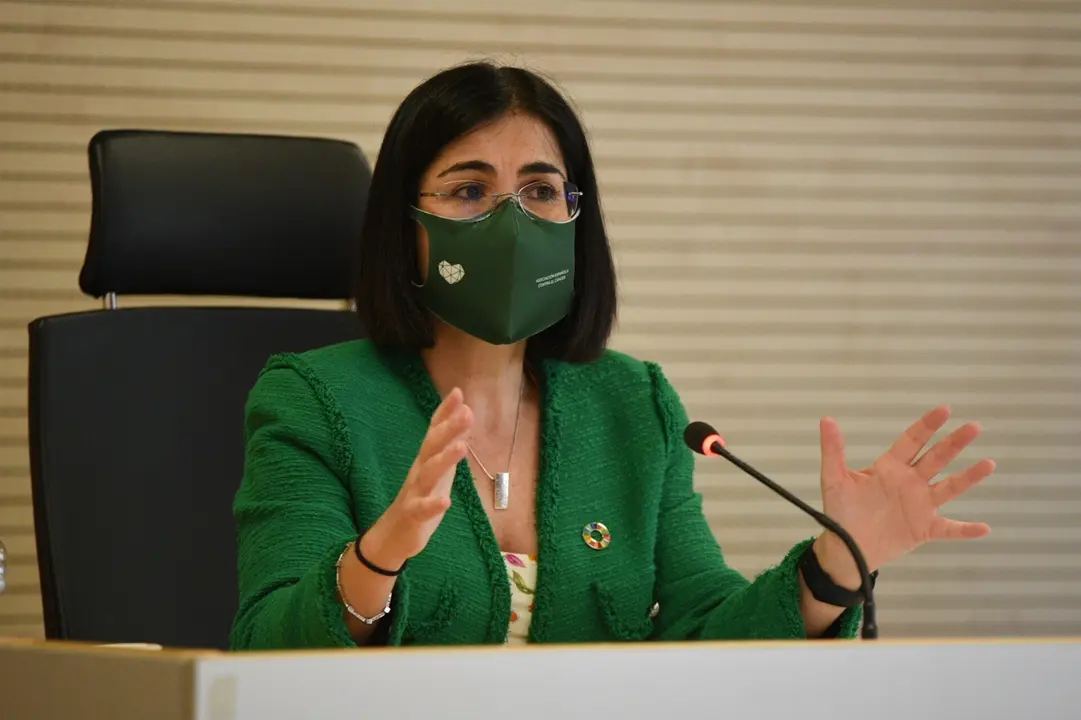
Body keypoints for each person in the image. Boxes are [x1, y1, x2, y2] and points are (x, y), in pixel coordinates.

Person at [229, 61, 994, 650]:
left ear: (574, 217)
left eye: (538, 191)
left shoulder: (633, 404)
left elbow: (703, 636)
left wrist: (832, 565)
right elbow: (262, 652)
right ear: (406, 230)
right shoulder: (313, 399)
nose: (511, 221)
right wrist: (377, 560)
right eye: (468, 191)